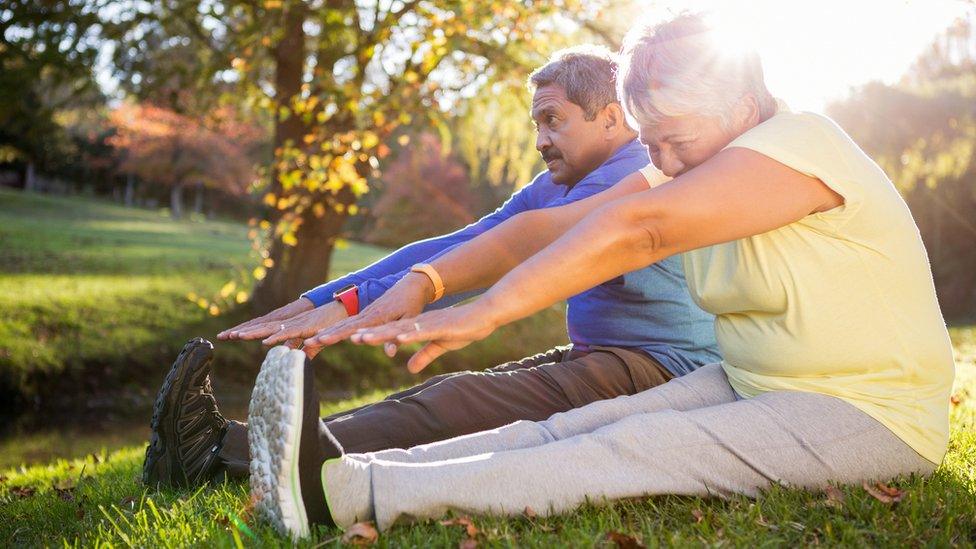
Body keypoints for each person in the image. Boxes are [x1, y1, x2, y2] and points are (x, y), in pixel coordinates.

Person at [245, 13, 955, 539]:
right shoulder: (693, 155)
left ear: (741, 109)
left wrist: (486, 313)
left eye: (675, 140)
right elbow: (536, 229)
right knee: (570, 425)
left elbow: (636, 230)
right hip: (758, 380)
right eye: (650, 141)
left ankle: (350, 495)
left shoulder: (801, 145)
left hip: (870, 412)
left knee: (629, 449)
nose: (663, 163)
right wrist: (428, 281)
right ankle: (328, 466)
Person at [141, 45, 719, 489]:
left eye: (553, 120)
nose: (540, 139)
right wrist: (325, 298)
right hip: (612, 358)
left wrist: (373, 301)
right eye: (536, 124)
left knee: (461, 402)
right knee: (452, 392)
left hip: (666, 370)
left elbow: (518, 246)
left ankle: (224, 458)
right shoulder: (557, 183)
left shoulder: (643, 169)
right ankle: (239, 447)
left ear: (612, 117)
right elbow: (461, 244)